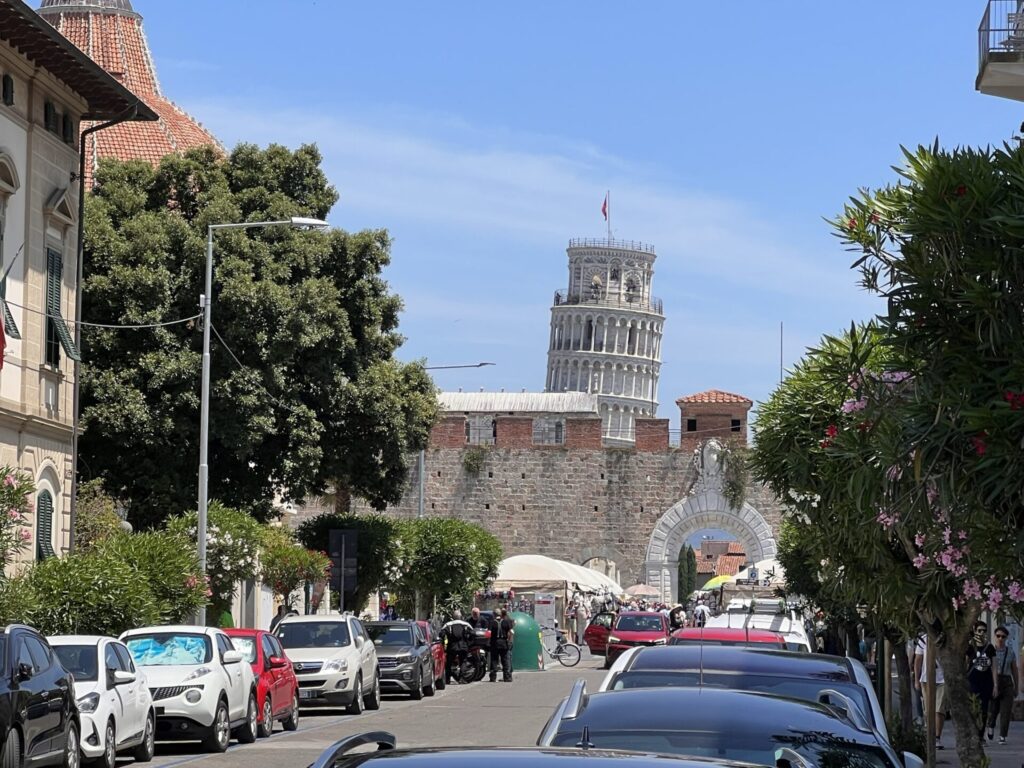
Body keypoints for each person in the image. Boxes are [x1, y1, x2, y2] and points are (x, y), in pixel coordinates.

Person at [914, 634, 948, 750]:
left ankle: (937, 737)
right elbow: (918, 660)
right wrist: (916, 680)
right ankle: (929, 734)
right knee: (928, 710)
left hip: (942, 679)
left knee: (939, 709)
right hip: (926, 679)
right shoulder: (923, 639)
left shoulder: (946, 638)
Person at [986, 626, 1018, 745]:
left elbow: (1014, 670)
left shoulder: (1010, 652)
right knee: (993, 709)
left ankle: (1002, 735)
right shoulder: (990, 650)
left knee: (1006, 710)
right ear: (995, 636)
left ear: (1006, 638)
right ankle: (991, 725)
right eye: (998, 636)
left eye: (1003, 637)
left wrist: (1016, 686)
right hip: (994, 680)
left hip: (1006, 681)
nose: (1000, 638)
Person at [965, 620, 996, 738]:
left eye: (984, 631)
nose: (981, 633)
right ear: (974, 631)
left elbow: (994, 667)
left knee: (984, 710)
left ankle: (981, 735)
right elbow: (965, 663)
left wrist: (995, 685)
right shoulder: (970, 646)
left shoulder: (989, 647)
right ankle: (973, 733)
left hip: (986, 682)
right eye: (979, 630)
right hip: (972, 681)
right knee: (973, 708)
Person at [440, 610, 474, 684]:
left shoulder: (448, 624)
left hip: (452, 646)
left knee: (448, 663)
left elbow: (441, 634)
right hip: (463, 646)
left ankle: (447, 679)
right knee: (463, 662)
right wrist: (469, 643)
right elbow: (473, 634)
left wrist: (444, 643)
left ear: (453, 617)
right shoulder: (466, 624)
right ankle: (462, 678)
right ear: (461, 616)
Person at [489, 607, 515, 682]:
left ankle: (493, 677)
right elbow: (512, 632)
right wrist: (509, 640)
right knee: (505, 660)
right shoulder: (506, 622)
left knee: (494, 660)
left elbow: (489, 633)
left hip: (494, 643)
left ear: (494, 614)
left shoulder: (492, 622)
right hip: (504, 643)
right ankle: (507, 677)